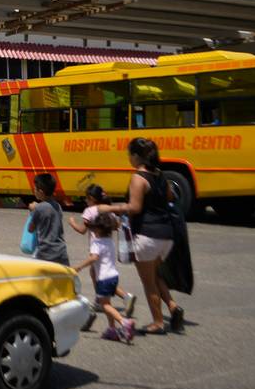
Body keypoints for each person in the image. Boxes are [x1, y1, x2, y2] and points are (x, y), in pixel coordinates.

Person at [99, 137, 186, 334]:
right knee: (155, 275)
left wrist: (109, 208)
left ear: (137, 156)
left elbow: (134, 207)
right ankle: (172, 306)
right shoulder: (160, 175)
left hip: (147, 235)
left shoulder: (139, 177)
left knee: (149, 283)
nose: (129, 158)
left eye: (129, 154)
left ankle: (157, 322)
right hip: (166, 235)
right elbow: (171, 196)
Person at [70, 184, 137, 316]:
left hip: (96, 246)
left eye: (86, 198)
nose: (85, 201)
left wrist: (72, 223)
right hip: (108, 245)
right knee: (99, 274)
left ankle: (112, 299)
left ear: (91, 198)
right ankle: (106, 299)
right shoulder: (107, 210)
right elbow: (117, 225)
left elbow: (83, 230)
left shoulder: (89, 211)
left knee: (100, 277)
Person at [74, 212, 136, 343]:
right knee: (108, 303)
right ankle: (112, 329)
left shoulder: (97, 243)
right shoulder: (109, 241)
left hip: (104, 278)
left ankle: (124, 322)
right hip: (113, 276)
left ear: (98, 229)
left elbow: (94, 258)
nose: (93, 231)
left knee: (105, 305)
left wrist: (79, 267)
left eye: (94, 229)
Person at [28, 173, 70, 266]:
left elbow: (30, 229)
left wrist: (32, 211)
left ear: (41, 192)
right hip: (61, 251)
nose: (34, 191)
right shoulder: (58, 206)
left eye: (35, 189)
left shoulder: (39, 208)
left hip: (45, 253)